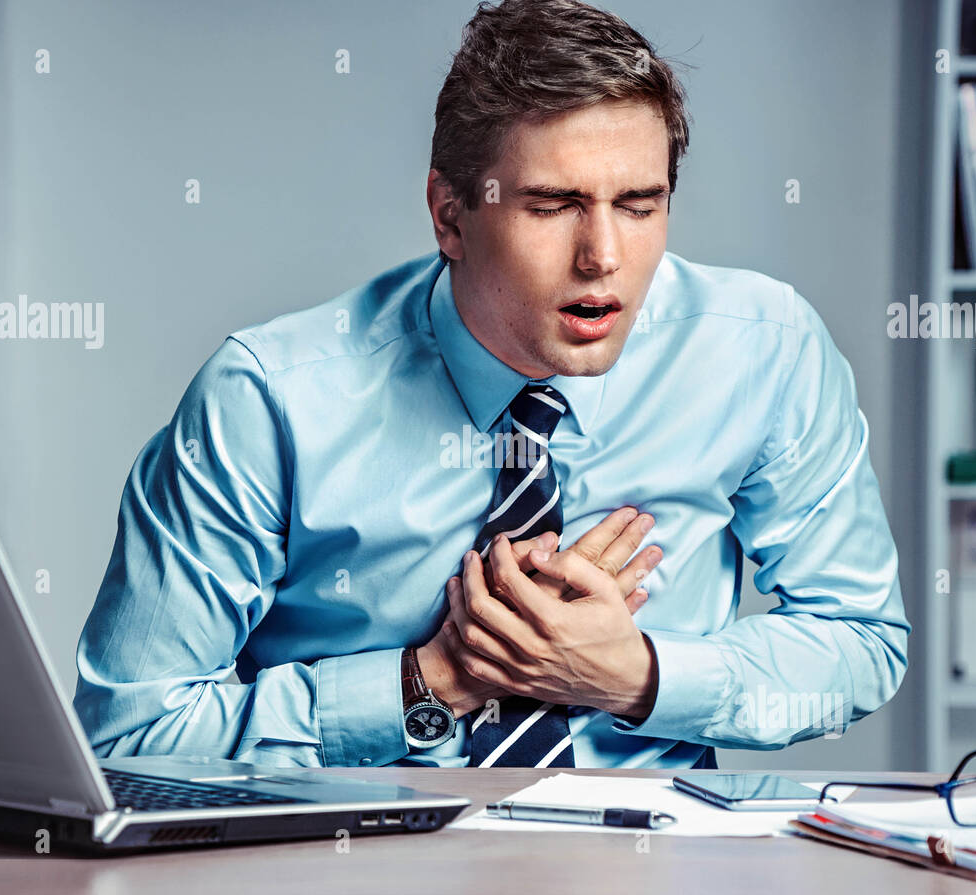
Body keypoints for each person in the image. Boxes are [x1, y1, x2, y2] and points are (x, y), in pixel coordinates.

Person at [74, 0, 910, 770]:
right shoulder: (268, 401)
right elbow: (130, 734)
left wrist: (639, 676)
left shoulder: (762, 352)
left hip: (653, 865)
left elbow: (863, 638)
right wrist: (429, 682)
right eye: (552, 206)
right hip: (351, 863)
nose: (604, 258)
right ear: (450, 215)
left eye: (640, 204)